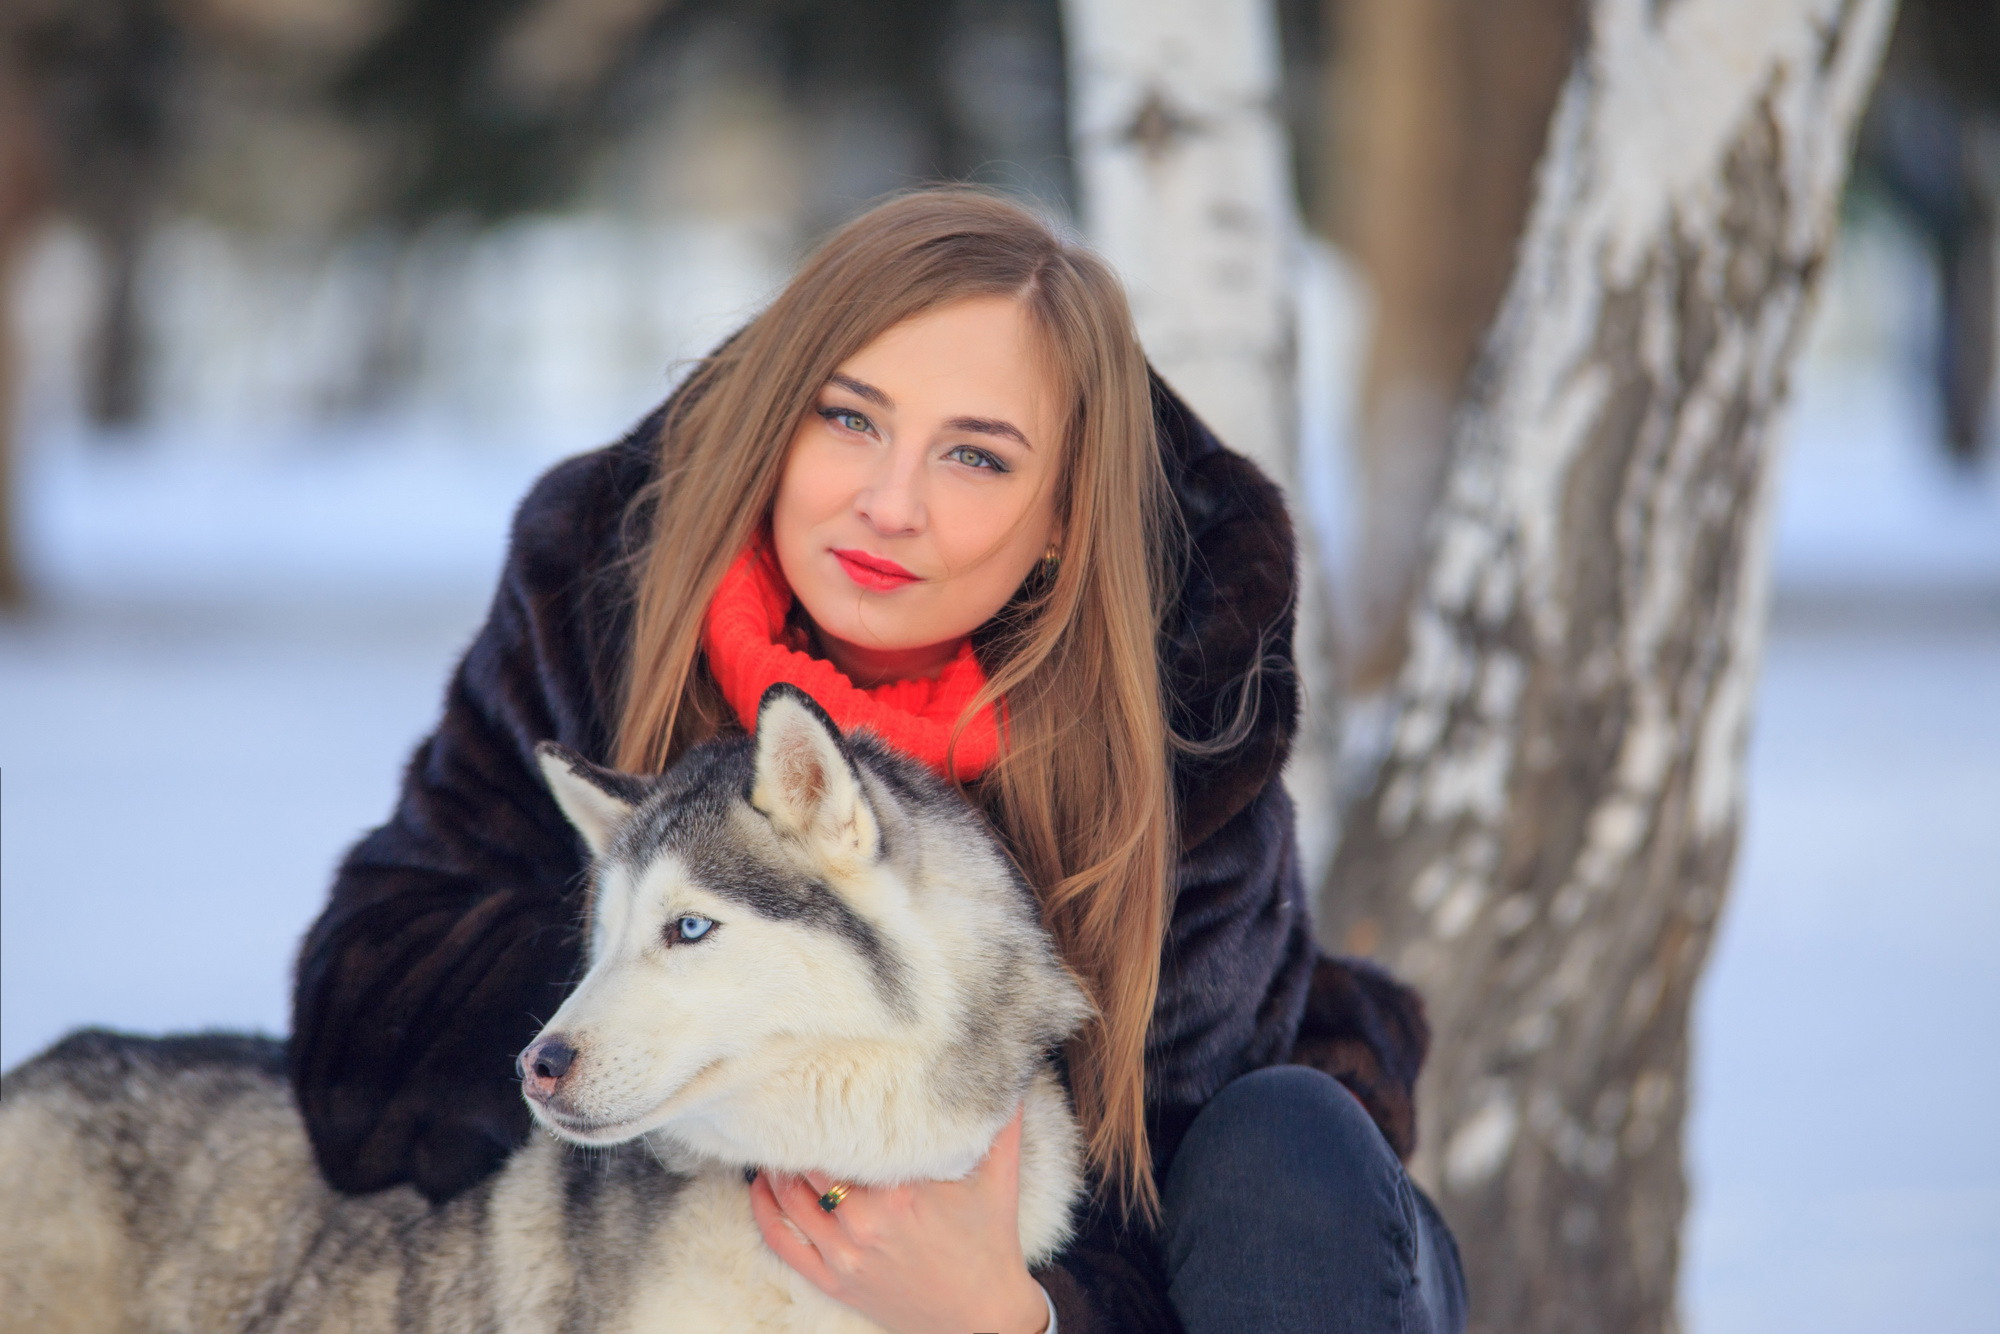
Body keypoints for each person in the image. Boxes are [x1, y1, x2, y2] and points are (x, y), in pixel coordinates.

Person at [289, 188, 1467, 1334]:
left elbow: (1171, 1181)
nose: (889, 504)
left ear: (1062, 516)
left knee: (1282, 1147)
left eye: (976, 457)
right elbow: (368, 1035)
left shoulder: (1174, 697)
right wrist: (711, 955)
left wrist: (1018, 1312)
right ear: (777, 421)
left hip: (1279, 1256)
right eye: (849, 420)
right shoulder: (601, 592)